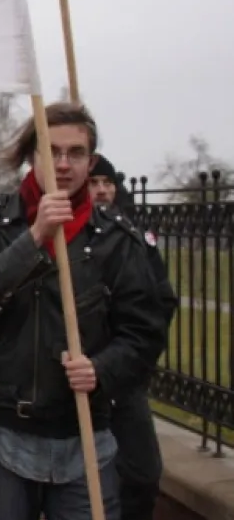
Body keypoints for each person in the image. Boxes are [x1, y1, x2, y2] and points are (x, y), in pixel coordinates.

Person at [0, 102, 168, 520]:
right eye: (52, 151)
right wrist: (33, 238)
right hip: (4, 433)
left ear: (91, 160)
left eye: (76, 153)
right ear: (32, 155)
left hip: (88, 435)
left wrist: (101, 368)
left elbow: (146, 332)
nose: (63, 164)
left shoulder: (116, 240)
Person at [88, 154, 177, 520]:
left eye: (107, 182)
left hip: (125, 379)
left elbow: (163, 298)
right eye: (94, 183)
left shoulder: (135, 238)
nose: (102, 190)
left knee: (142, 474)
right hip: (82, 377)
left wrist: (135, 348)